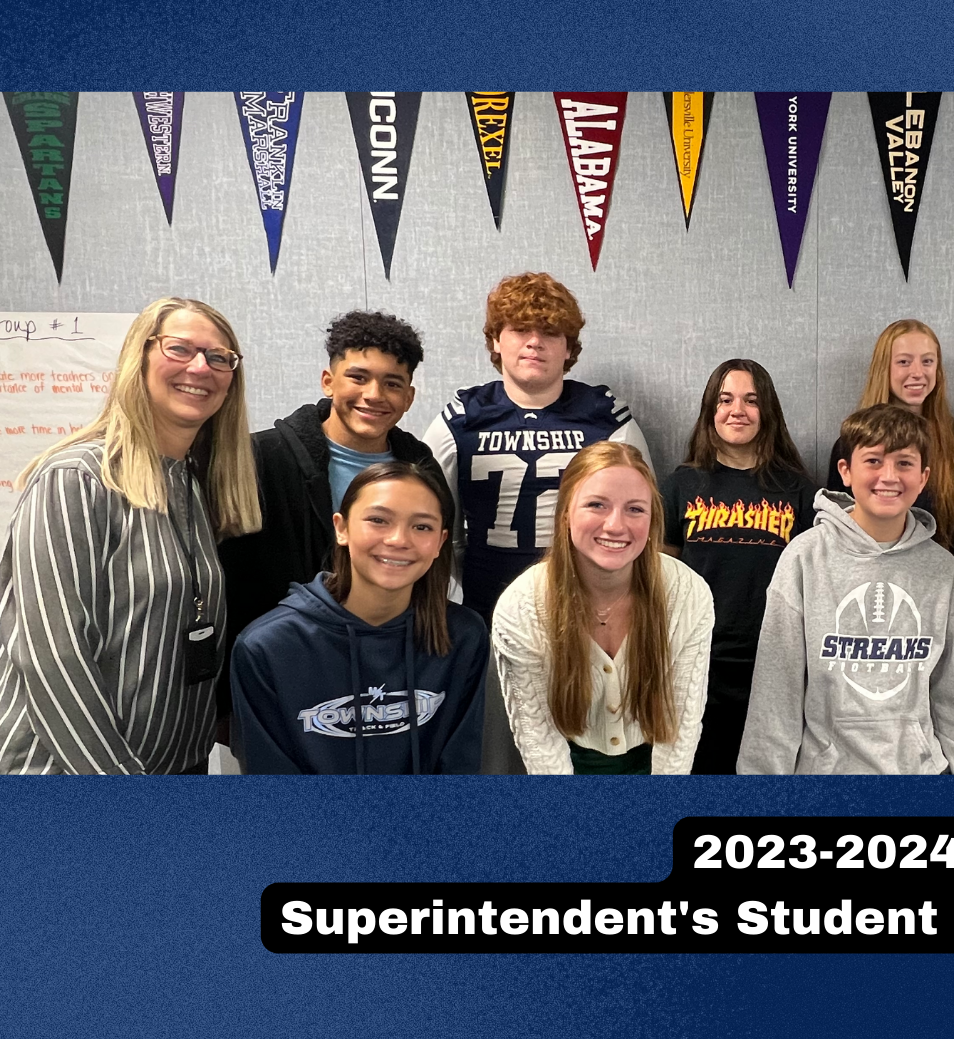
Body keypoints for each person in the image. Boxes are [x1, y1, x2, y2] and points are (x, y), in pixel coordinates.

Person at [0, 297, 260, 774]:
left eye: (220, 358)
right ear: (140, 357)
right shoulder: (76, 478)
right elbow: (51, 655)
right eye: (179, 349)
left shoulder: (192, 484)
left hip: (171, 766)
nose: (201, 367)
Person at [424, 272, 651, 772]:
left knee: (587, 757)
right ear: (495, 341)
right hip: (490, 615)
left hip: (590, 621)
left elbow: (642, 523)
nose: (534, 342)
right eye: (519, 330)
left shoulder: (605, 417)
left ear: (569, 347)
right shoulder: (462, 416)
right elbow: (428, 523)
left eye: (550, 332)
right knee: (501, 760)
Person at [217, 310, 444, 742]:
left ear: (410, 396)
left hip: (386, 690)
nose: (373, 394)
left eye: (392, 383)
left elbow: (431, 577)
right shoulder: (260, 461)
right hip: (278, 686)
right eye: (357, 377)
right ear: (328, 381)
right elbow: (229, 581)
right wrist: (226, 704)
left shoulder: (423, 470)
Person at [740, 404, 954, 774]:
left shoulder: (942, 569)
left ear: (923, 478)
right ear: (846, 470)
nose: (889, 476)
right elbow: (777, 689)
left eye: (904, 463)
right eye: (873, 461)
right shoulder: (805, 558)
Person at [228, 461, 488, 773]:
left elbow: (460, 766)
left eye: (422, 527)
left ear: (440, 543)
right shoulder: (266, 647)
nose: (398, 540)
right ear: (341, 528)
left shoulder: (463, 636)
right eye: (379, 520)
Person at [490, 441, 714, 774]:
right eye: (597, 505)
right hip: (564, 768)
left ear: (653, 520)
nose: (615, 525)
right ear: (566, 513)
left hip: (656, 766)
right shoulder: (523, 606)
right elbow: (539, 740)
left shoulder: (688, 594)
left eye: (635, 509)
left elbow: (680, 725)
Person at [661, 359, 817, 774]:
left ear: (768, 412)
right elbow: (660, 581)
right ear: (710, 410)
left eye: (751, 400)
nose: (738, 411)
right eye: (725, 399)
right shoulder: (679, 486)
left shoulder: (798, 489)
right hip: (697, 664)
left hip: (775, 665)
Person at [823, 320, 954, 574]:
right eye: (904, 362)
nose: (917, 372)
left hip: (934, 584)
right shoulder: (851, 443)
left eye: (927, 361)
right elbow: (836, 532)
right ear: (883, 368)